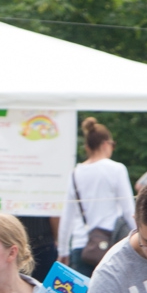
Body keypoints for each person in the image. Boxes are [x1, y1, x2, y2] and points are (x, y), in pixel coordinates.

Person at [56, 118, 134, 275]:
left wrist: (63, 250)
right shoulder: (116, 169)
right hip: (110, 245)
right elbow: (128, 210)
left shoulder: (75, 173)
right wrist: (139, 238)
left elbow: (67, 216)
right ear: (106, 144)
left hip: (80, 246)